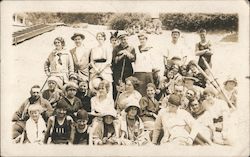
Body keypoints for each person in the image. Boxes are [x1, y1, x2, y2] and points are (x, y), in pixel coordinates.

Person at [112, 34, 136, 99]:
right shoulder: (116, 48)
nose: (123, 41)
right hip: (118, 71)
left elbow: (133, 59)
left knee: (128, 86)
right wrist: (122, 55)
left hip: (128, 71)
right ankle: (117, 102)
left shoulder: (131, 48)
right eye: (122, 39)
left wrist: (127, 53)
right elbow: (114, 60)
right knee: (119, 87)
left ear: (127, 39)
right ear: (119, 40)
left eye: (125, 39)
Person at [89, 32, 113, 98]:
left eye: (101, 36)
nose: (100, 38)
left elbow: (109, 61)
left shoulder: (108, 48)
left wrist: (101, 69)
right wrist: (96, 69)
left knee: (107, 86)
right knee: (93, 85)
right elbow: (91, 61)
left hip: (105, 69)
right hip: (95, 69)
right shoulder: (93, 49)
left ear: (104, 38)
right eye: (98, 36)